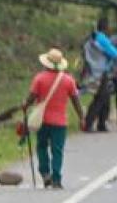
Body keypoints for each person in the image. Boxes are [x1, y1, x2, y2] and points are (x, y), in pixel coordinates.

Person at [25, 48, 84, 189]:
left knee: (42, 146)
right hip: (60, 122)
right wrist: (82, 117)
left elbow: (31, 98)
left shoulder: (39, 78)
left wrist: (25, 105)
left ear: (46, 63)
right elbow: (76, 100)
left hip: (42, 120)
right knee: (57, 150)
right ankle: (56, 179)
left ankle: (45, 173)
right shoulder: (68, 80)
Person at [82, 18, 117, 132]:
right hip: (102, 71)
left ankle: (102, 123)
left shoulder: (91, 39)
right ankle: (88, 123)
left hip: (93, 70)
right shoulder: (103, 39)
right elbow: (115, 53)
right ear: (106, 28)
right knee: (100, 98)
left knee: (106, 98)